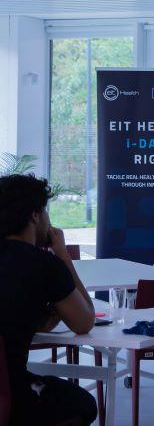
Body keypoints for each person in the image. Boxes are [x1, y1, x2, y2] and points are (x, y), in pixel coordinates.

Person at [0, 174, 97, 426]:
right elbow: (84, 321)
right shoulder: (44, 265)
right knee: (84, 405)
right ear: (35, 215)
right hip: (10, 392)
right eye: (45, 211)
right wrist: (63, 255)